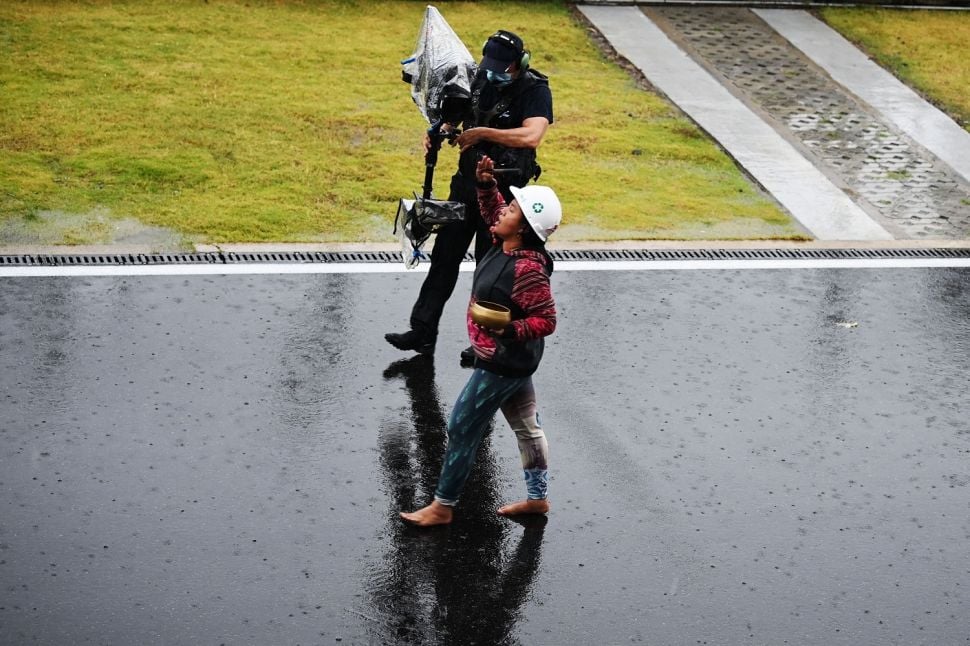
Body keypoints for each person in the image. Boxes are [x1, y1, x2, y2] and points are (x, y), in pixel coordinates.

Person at [400, 154, 561, 527]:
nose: (504, 210)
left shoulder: (527, 268)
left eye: (513, 210)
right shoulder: (500, 242)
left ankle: (443, 506)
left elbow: (546, 320)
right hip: (516, 361)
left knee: (460, 428)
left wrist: (509, 330)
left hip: (501, 363)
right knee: (527, 428)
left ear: (523, 229)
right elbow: (492, 214)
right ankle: (537, 500)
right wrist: (486, 184)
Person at [386, 29, 554, 362]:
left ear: (520, 62)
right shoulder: (479, 78)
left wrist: (481, 133)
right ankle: (422, 331)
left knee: (489, 273)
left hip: (503, 195)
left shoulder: (535, 90)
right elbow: (459, 115)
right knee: (443, 259)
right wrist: (440, 130)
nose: (493, 72)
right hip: (465, 186)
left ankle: (486, 345)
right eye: (489, 64)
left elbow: (532, 136)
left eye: (501, 67)